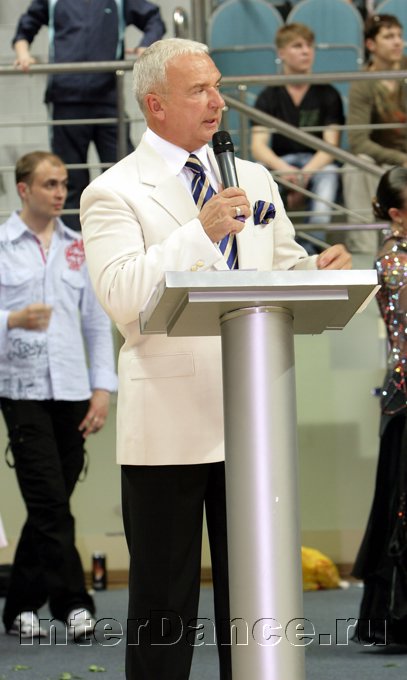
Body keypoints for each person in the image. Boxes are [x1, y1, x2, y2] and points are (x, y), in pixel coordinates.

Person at [80, 37, 351, 679]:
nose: (217, 101)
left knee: (256, 600)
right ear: (155, 105)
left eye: (218, 86)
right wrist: (197, 233)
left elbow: (277, 270)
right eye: (199, 90)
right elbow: (122, 296)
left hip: (256, 419)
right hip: (169, 424)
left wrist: (315, 272)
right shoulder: (113, 191)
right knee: (163, 603)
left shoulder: (252, 177)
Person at [0, 151, 117, 640]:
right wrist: (12, 319)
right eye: (50, 184)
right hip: (20, 387)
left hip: (72, 389)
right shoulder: (2, 245)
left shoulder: (78, 248)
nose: (60, 192)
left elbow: (96, 323)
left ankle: (20, 604)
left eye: (64, 183)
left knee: (50, 504)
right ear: (23, 189)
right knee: (50, 502)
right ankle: (74, 603)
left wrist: (102, 389)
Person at [12, 0, 166, 230]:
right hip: (65, 99)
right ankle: (73, 244)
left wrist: (146, 47)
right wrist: (23, 53)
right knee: (70, 180)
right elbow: (27, 24)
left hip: (108, 99)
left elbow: (153, 19)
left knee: (124, 172)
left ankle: (128, 234)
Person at [352, 166, 407, 645]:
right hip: (406, 396)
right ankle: (395, 617)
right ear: (396, 214)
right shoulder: (394, 259)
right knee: (401, 507)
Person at [251, 23, 344, 255]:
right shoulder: (269, 96)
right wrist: (285, 170)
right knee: (260, 171)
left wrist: (304, 174)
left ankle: (313, 249)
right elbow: (258, 146)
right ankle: (270, 248)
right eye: (297, 46)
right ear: (281, 53)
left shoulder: (328, 93)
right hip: (282, 162)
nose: (306, 51)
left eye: (309, 46)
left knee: (330, 173)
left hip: (317, 163)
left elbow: (330, 146)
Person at [343, 14, 407, 254]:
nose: (398, 42)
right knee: (356, 165)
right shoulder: (363, 82)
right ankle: (365, 251)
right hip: (383, 161)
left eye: (399, 35)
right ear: (371, 44)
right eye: (389, 36)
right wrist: (400, 159)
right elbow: (358, 141)